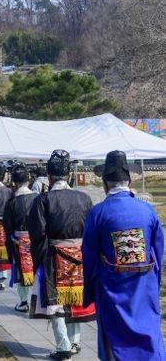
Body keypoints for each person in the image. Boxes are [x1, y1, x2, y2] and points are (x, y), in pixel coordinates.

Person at [82, 151, 165, 360]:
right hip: (144, 285)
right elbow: (158, 248)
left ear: (105, 184)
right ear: (129, 181)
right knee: (148, 331)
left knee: (115, 336)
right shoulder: (147, 210)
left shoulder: (98, 212)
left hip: (112, 287)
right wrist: (155, 280)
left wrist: (89, 290)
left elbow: (89, 254)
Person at [28, 150, 95, 361]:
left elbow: (37, 233)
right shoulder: (84, 198)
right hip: (80, 254)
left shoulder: (43, 200)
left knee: (55, 300)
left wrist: (39, 259)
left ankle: (63, 345)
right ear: (69, 175)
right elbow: (91, 230)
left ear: (49, 176)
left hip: (54, 255)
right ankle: (74, 341)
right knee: (75, 297)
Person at [3, 163, 37, 313]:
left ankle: (24, 302)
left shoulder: (12, 202)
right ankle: (38, 301)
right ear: (28, 180)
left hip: (18, 240)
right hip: (36, 240)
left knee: (21, 271)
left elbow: (7, 225)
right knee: (38, 269)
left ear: (14, 182)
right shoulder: (37, 198)